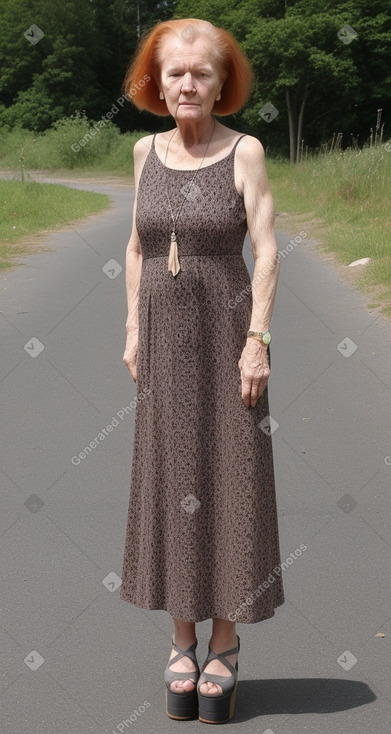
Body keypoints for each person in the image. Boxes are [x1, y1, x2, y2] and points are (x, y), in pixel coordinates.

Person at [120, 17, 285, 724]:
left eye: (201, 73)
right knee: (171, 479)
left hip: (226, 332)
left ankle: (225, 641)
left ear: (223, 83)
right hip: (162, 340)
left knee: (231, 479)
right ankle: (180, 639)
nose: (187, 83)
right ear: (156, 82)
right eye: (175, 72)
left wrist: (258, 340)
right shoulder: (142, 152)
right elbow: (135, 246)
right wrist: (132, 325)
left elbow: (268, 250)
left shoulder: (244, 151)